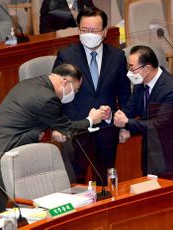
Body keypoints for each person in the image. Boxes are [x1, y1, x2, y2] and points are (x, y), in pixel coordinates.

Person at [0, 63, 107, 211]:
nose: (74, 94)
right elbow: (69, 129)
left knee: (3, 210)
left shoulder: (29, 84)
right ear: (65, 82)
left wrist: (42, 131)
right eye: (75, 90)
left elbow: (26, 119)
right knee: (2, 212)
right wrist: (91, 119)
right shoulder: (48, 98)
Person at [113, 45, 173, 230]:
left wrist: (128, 124)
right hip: (153, 155)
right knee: (159, 204)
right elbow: (132, 109)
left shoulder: (172, 88)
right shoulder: (141, 85)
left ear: (147, 68)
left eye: (132, 68)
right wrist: (120, 120)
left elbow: (159, 123)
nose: (129, 72)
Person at [52, 7, 131, 184]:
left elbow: (125, 94)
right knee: (75, 182)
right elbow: (55, 96)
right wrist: (57, 126)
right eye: (84, 30)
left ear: (104, 32)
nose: (88, 34)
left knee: (105, 182)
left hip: (106, 129)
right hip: (76, 129)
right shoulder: (66, 56)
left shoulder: (117, 56)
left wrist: (126, 125)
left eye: (94, 31)